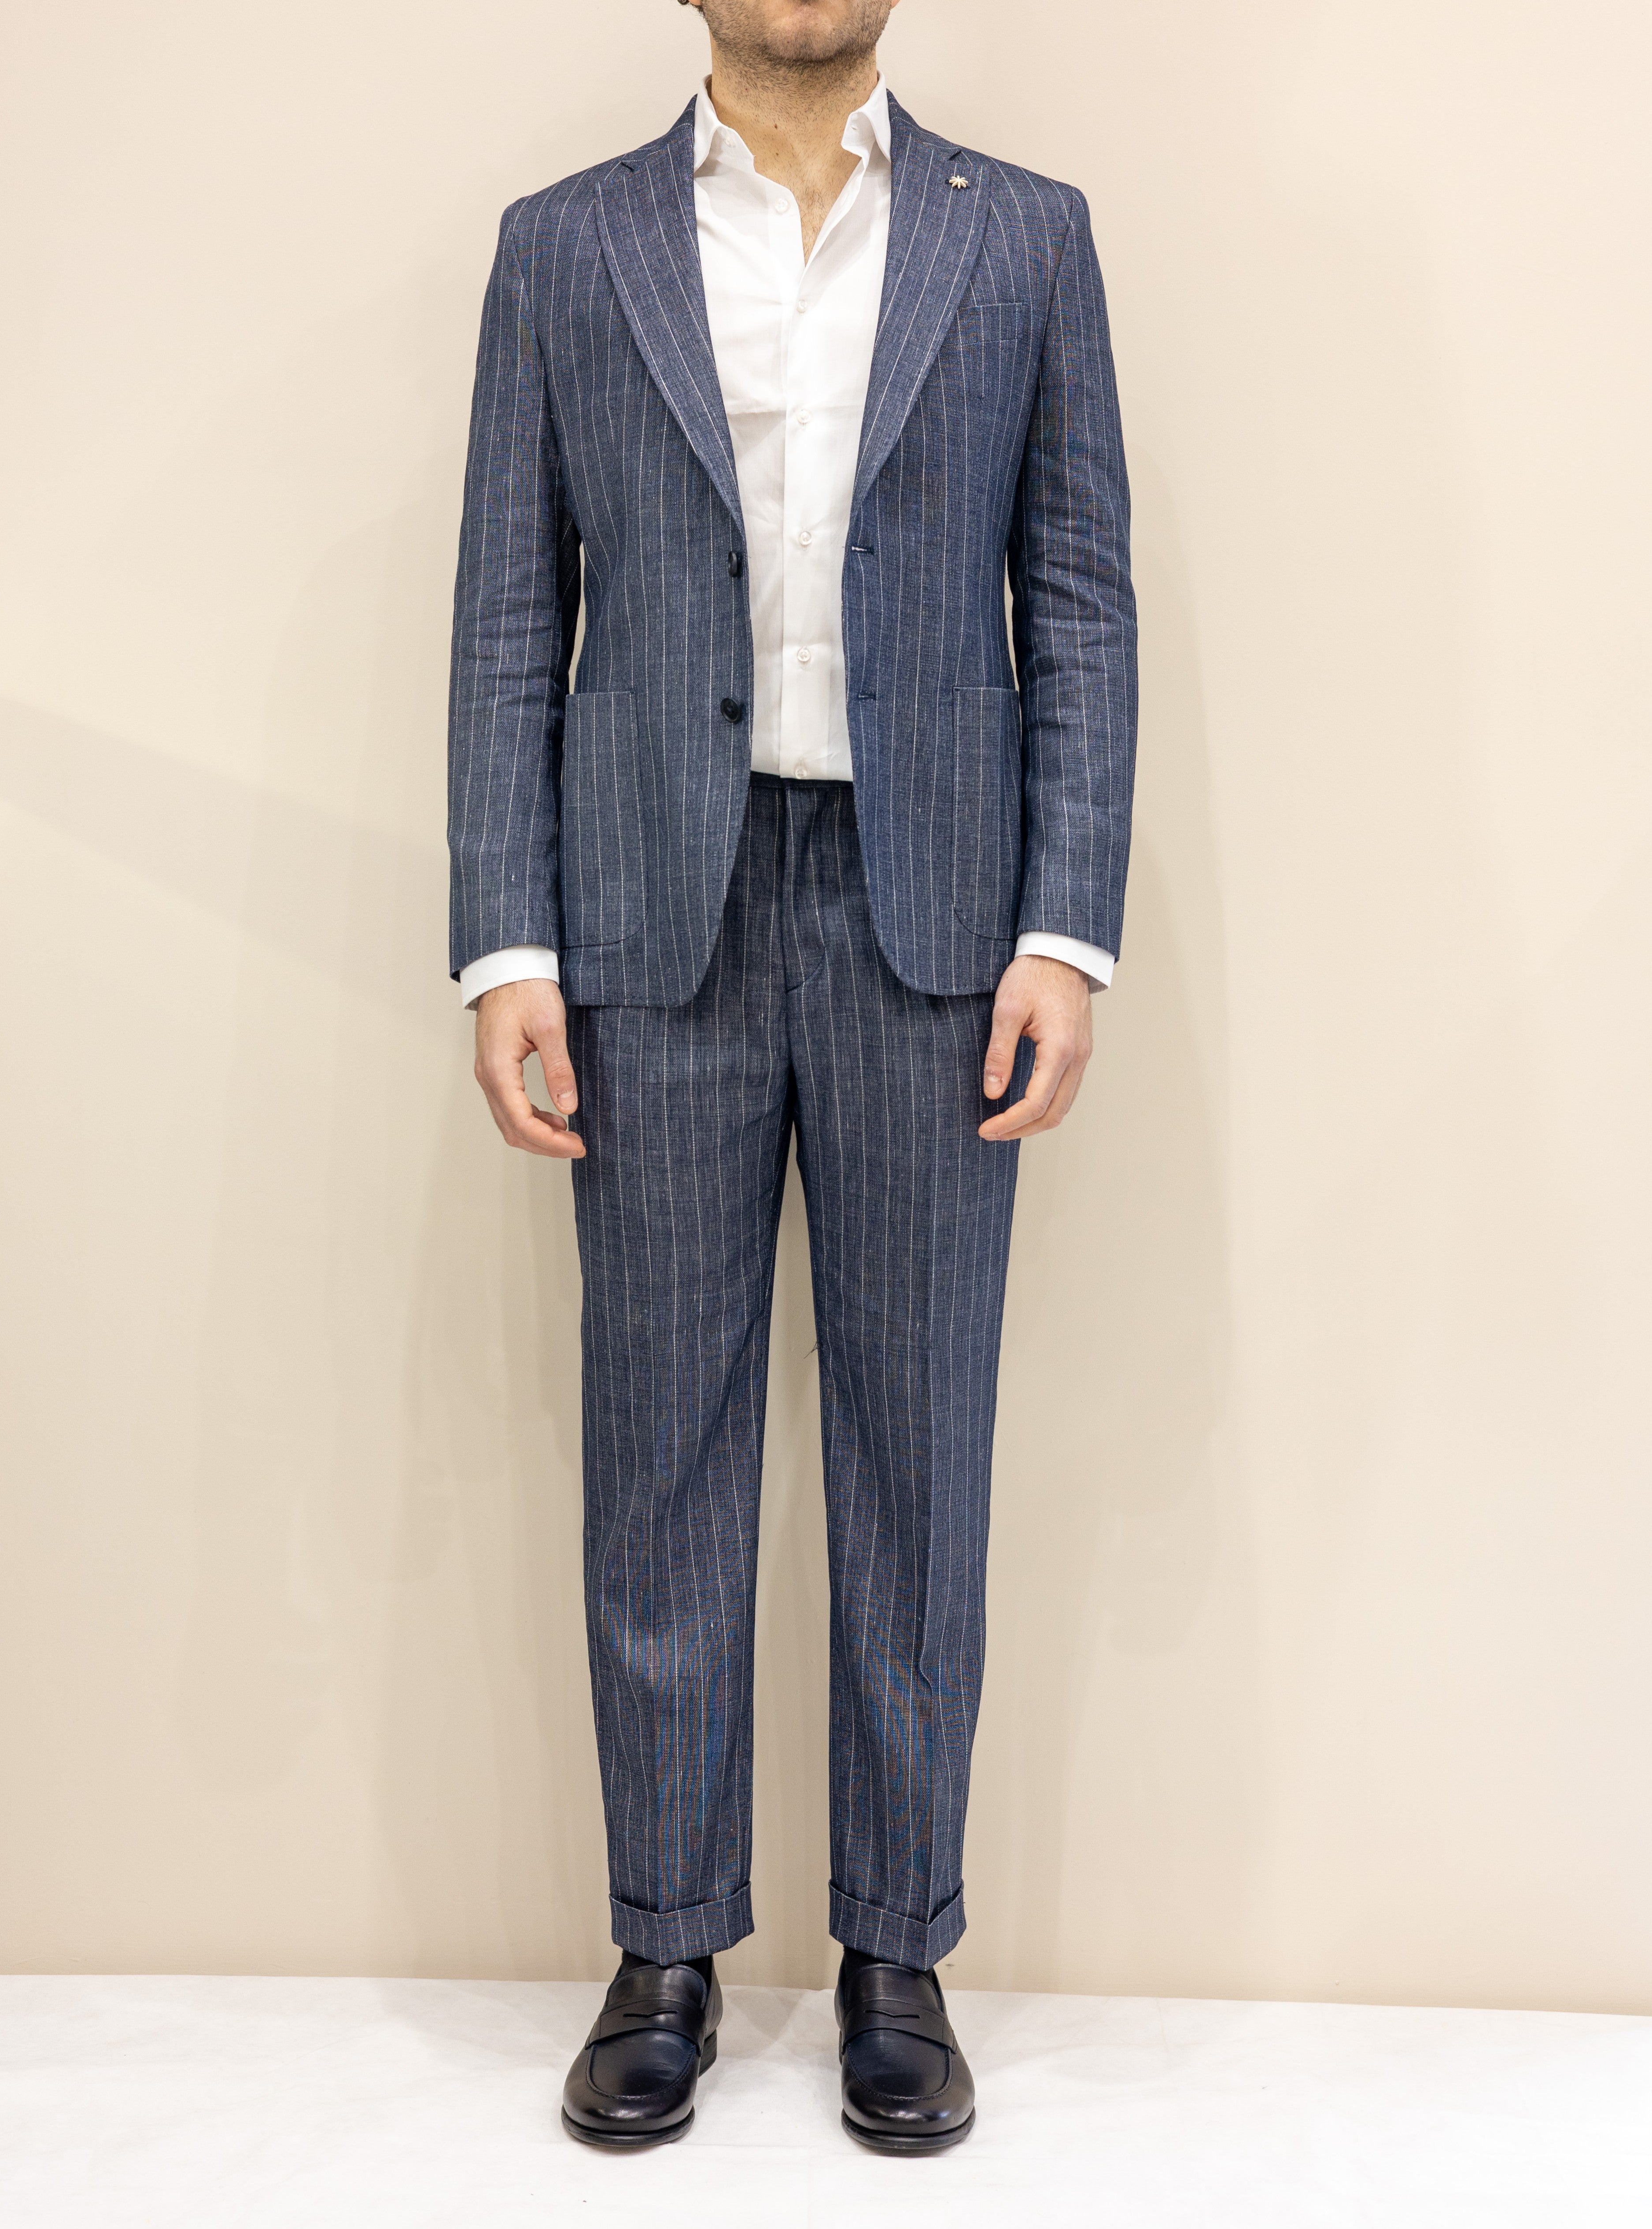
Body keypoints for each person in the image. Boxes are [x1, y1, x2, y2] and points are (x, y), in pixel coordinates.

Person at [448, 0, 1136, 2154]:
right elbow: (507, 615)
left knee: (919, 1451)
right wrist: (507, 946)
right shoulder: (565, 246)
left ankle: (894, 1954)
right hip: (652, 912)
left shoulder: (1024, 238)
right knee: (657, 1449)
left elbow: (1077, 600)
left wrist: (1062, 928)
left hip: (934, 921)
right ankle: (663, 1946)